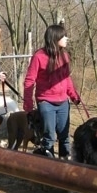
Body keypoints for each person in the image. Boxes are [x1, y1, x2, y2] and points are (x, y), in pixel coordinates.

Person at [23, 24, 80, 159]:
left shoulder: (65, 56)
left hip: (63, 102)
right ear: (55, 38)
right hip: (46, 101)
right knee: (49, 136)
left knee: (64, 135)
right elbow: (29, 81)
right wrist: (28, 105)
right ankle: (48, 167)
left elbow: (66, 79)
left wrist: (74, 96)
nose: (67, 38)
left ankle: (64, 165)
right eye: (63, 36)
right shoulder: (39, 56)